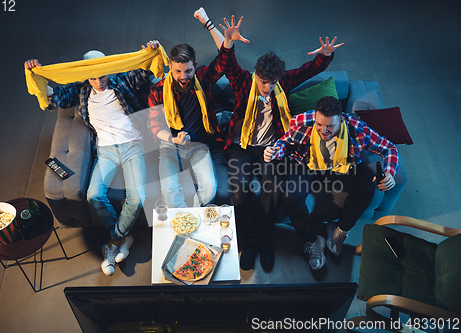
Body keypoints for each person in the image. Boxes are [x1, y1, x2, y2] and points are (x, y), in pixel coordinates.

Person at [217, 15, 343, 272]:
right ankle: (250, 243)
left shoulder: (281, 84)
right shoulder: (243, 82)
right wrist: (228, 42)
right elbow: (228, 65)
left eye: (272, 82)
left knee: (271, 196)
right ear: (256, 76)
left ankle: (265, 242)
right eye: (264, 81)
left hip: (270, 149)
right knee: (240, 194)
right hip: (241, 146)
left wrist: (325, 56)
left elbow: (309, 70)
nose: (268, 87)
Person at [24, 40, 160, 276]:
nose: (99, 81)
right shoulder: (81, 91)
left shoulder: (123, 79)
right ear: (86, 75)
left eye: (103, 74)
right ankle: (123, 237)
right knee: (93, 195)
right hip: (106, 150)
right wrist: (36, 74)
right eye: (94, 77)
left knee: (137, 198)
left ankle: (114, 243)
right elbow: (53, 98)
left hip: (134, 145)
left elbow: (145, 71)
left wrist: (151, 50)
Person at [264, 96, 398, 271]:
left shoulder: (358, 129)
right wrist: (275, 151)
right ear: (315, 118)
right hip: (308, 164)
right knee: (291, 196)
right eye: (320, 124)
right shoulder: (302, 123)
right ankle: (312, 241)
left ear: (341, 120)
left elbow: (389, 148)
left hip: (344, 164)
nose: (324, 130)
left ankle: (339, 230)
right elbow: (284, 143)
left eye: (330, 126)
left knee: (367, 188)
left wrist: (389, 172)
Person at [147, 16, 248, 208]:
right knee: (169, 190)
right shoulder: (157, 90)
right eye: (178, 72)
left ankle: (191, 218)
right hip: (170, 146)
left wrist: (225, 39)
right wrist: (173, 139)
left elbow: (224, 60)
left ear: (194, 65)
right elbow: (155, 127)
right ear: (170, 66)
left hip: (199, 145)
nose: (183, 77)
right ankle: (184, 222)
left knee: (210, 189)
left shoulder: (202, 77)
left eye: (188, 71)